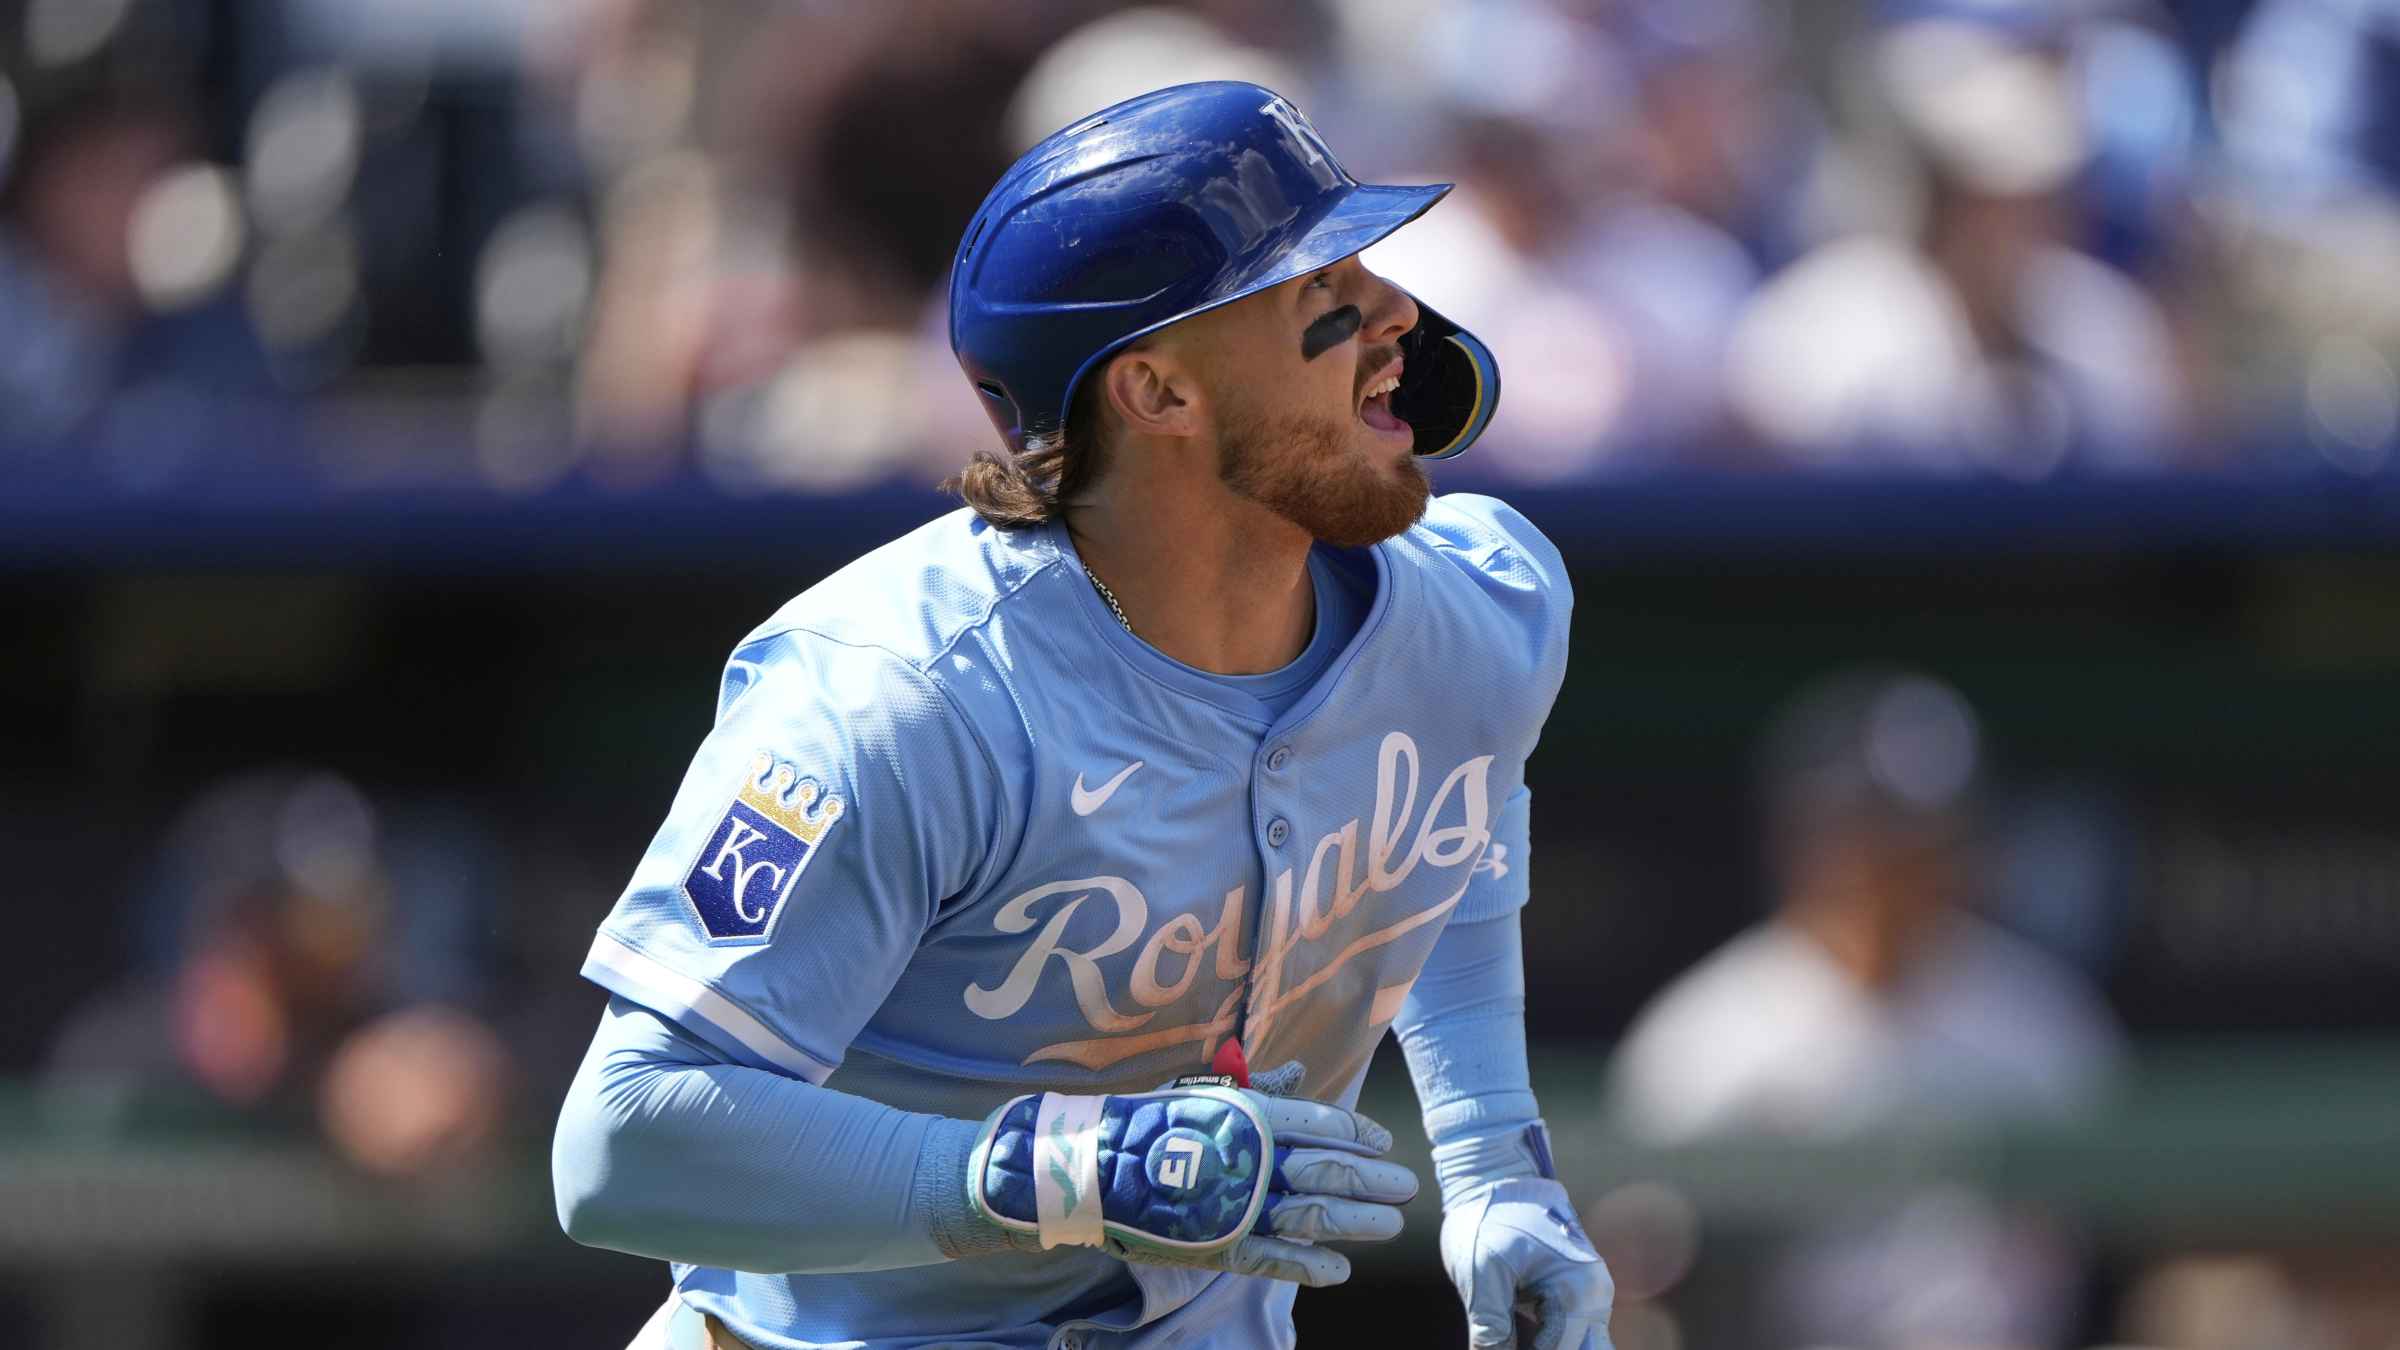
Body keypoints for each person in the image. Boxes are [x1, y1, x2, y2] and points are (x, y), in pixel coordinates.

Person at [552, 82, 1612, 1350]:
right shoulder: (900, 695)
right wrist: (1056, 1175)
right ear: (1157, 392)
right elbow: (622, 1142)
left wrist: (1495, 1165)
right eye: (1318, 291)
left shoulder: (1483, 607)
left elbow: (1452, 818)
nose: (1397, 315)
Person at [1607, 670, 2122, 1347]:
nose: (1890, 864)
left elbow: (2118, 1245)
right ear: (1802, 837)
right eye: (1866, 832)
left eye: (1921, 838)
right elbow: (1635, 1267)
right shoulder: (1707, 1033)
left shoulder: (2042, 1017)